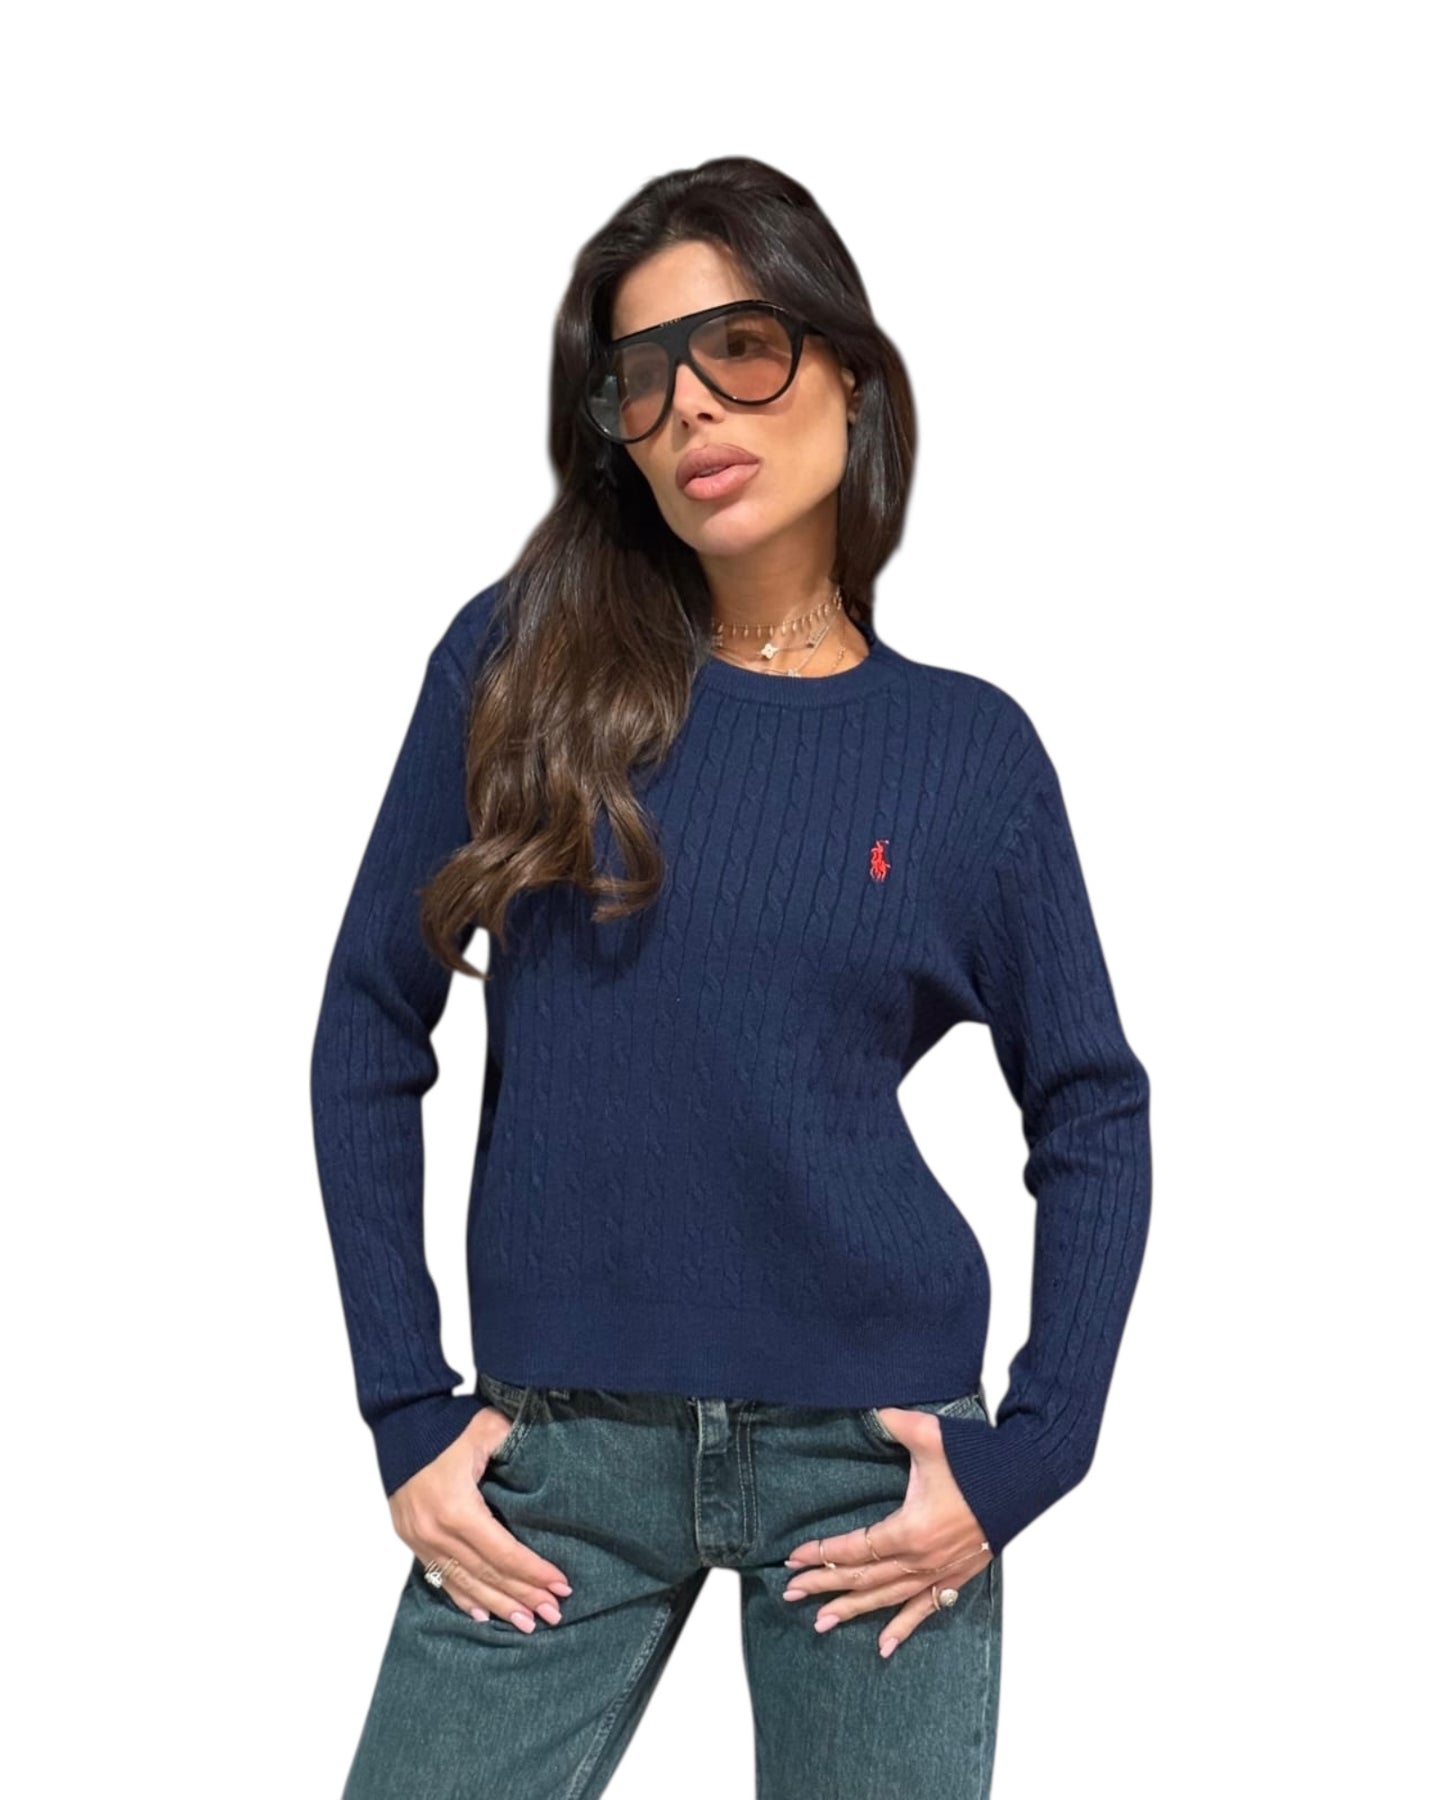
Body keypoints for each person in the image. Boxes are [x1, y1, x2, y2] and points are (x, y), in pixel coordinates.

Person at [310, 154, 1151, 1800]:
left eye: (742, 347)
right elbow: (365, 1026)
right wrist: (404, 1403)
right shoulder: (520, 664)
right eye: (642, 376)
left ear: (850, 373)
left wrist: (1037, 1448)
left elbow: (1092, 1105)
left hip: (872, 1469)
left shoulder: (966, 754)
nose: (692, 402)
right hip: (555, 1453)